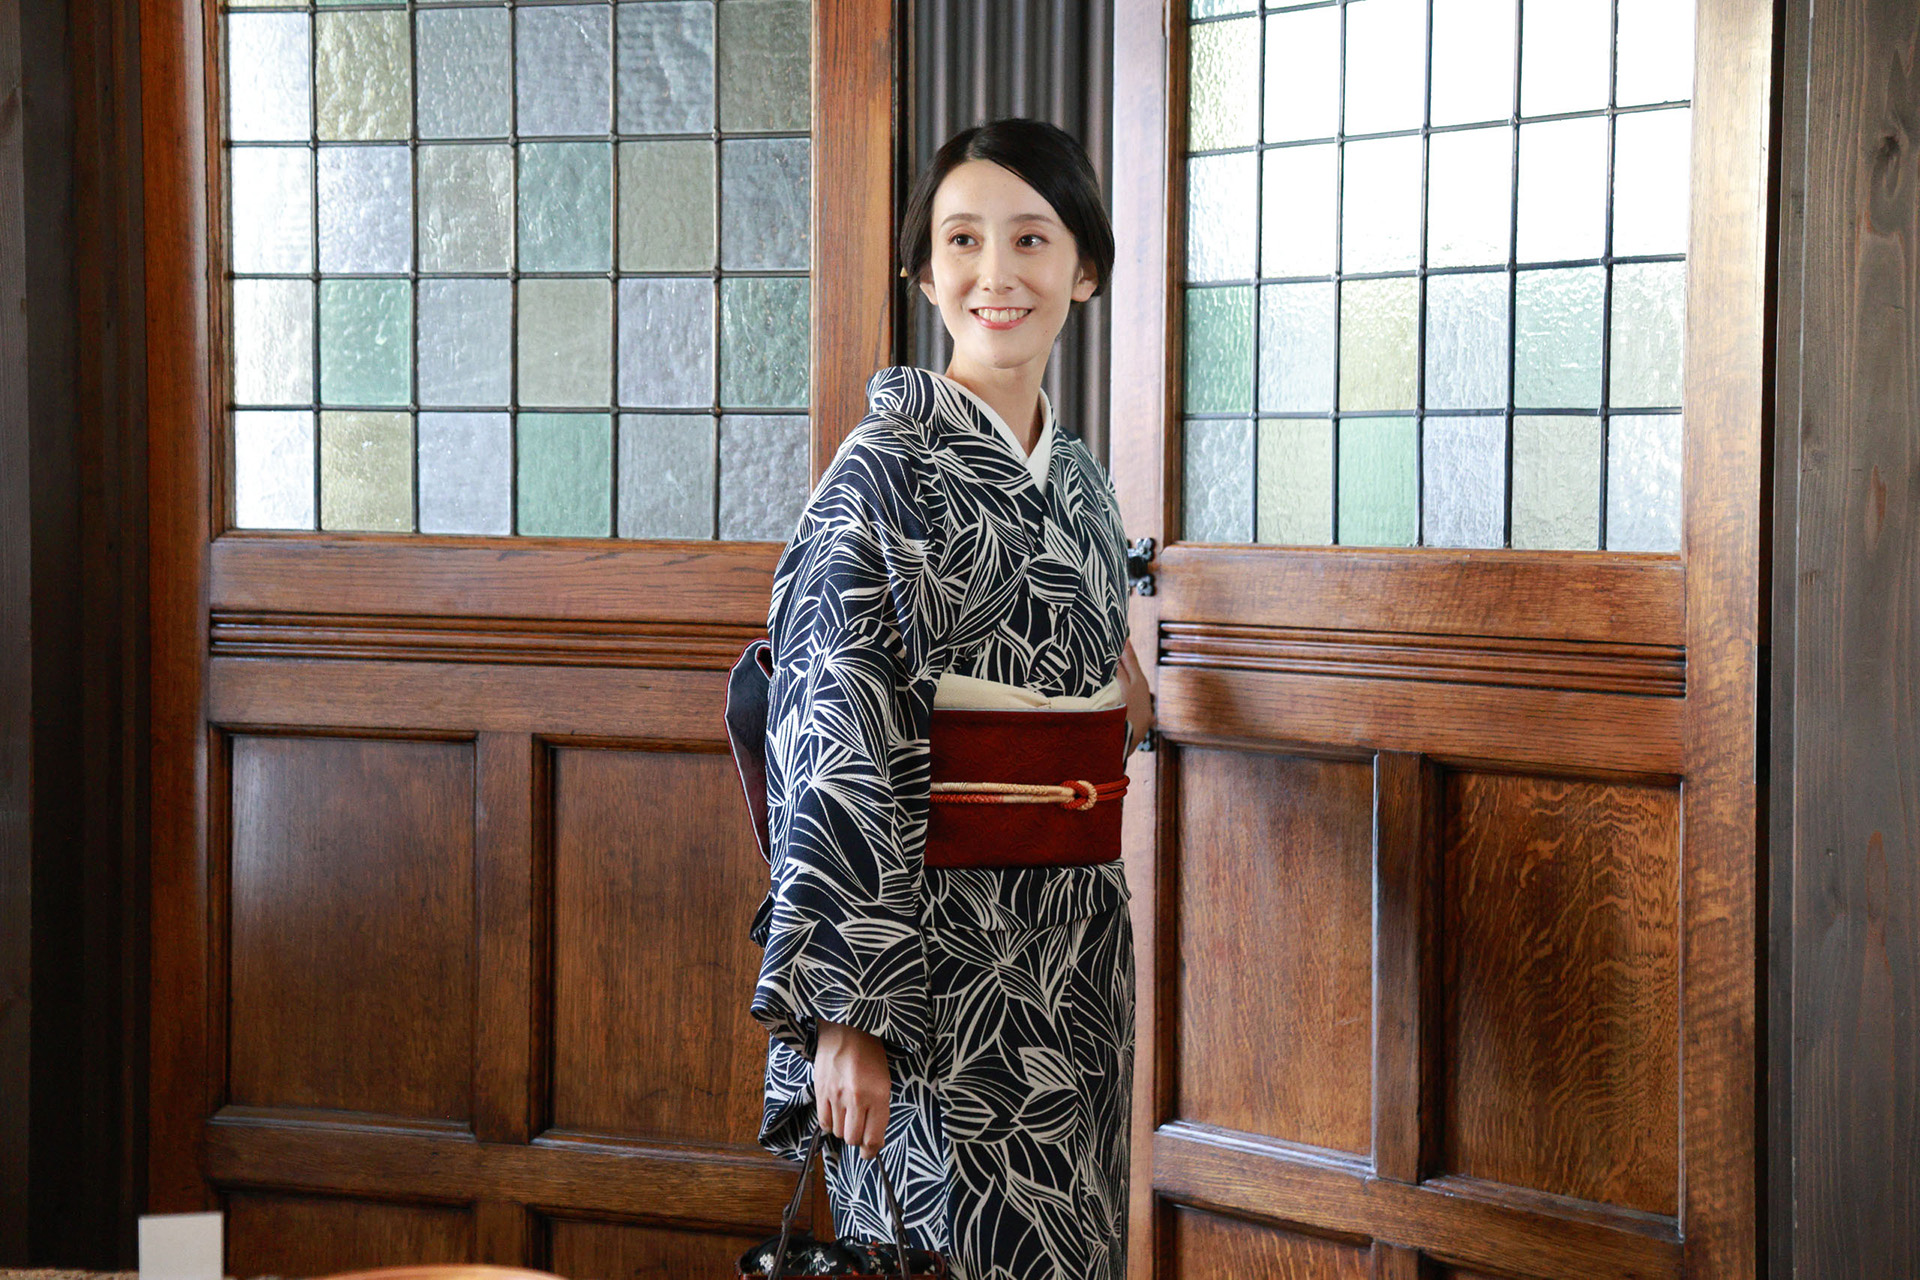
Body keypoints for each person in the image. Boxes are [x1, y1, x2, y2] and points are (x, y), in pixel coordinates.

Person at [747, 117, 1153, 1280]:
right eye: (963, 240)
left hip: (1075, 956)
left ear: (1083, 269)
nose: (996, 273)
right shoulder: (881, 472)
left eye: (1032, 238)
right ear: (924, 274)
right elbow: (831, 739)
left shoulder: (1080, 482)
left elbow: (1105, 698)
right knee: (944, 1252)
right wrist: (847, 1013)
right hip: (930, 972)